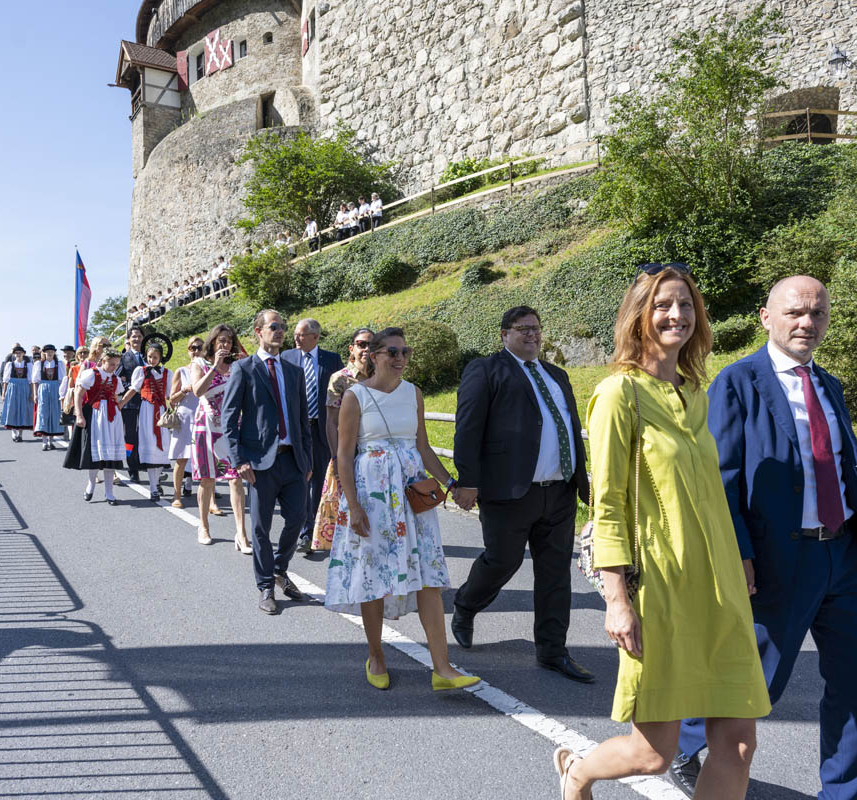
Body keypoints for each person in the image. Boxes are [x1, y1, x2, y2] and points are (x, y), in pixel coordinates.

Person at [671, 275, 857, 800]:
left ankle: (844, 792)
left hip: (843, 555)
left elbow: (847, 471)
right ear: (766, 317)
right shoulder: (738, 382)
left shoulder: (829, 385)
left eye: (817, 313)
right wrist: (740, 553)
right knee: (757, 679)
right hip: (775, 559)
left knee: (855, 686)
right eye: (794, 312)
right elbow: (719, 480)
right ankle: (684, 743)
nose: (806, 323)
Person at [555, 263, 769, 800]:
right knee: (654, 754)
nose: (678, 314)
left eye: (686, 304)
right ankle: (578, 771)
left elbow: (713, 493)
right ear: (638, 317)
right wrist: (616, 600)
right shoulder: (618, 394)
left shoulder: (696, 393)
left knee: (739, 743)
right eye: (663, 305)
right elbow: (607, 504)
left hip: (720, 590)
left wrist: (740, 559)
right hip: (661, 590)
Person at [324, 327, 479, 691]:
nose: (401, 359)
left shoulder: (413, 393)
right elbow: (344, 456)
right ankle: (376, 655)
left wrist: (451, 484)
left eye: (405, 352)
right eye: (393, 352)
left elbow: (423, 448)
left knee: (429, 576)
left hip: (412, 494)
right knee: (373, 577)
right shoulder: (355, 396)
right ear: (374, 356)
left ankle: (443, 668)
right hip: (372, 494)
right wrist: (354, 506)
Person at [450, 305, 593, 682]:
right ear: (504, 334)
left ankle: (552, 650)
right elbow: (468, 428)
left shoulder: (557, 375)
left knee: (556, 574)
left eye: (536, 328)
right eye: (523, 328)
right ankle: (466, 604)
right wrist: (468, 480)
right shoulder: (486, 370)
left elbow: (569, 427)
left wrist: (583, 481)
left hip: (559, 491)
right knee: (503, 561)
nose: (532, 334)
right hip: (509, 491)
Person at [220, 309, 312, 614]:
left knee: (298, 518)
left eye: (282, 326)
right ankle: (265, 587)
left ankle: (279, 569)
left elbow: (302, 419)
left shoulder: (294, 371)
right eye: (274, 326)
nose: (280, 331)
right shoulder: (244, 369)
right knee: (261, 527)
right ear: (259, 332)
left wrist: (307, 459)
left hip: (293, 460)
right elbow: (229, 419)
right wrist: (239, 460)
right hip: (259, 462)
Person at [309, 327, 373, 551]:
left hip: (375, 449)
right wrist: (336, 457)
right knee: (347, 503)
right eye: (361, 344)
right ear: (351, 348)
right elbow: (331, 422)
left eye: (371, 344)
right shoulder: (340, 379)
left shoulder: (381, 378)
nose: (366, 349)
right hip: (349, 450)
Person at [281, 318, 342, 554]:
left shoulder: (331, 360)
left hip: (321, 428)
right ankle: (301, 527)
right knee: (299, 479)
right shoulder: (287, 357)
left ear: (315, 337)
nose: (296, 338)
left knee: (318, 481)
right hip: (296, 429)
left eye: (301, 335)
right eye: (295, 334)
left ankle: (311, 532)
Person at [190, 324, 250, 549]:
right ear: (213, 342)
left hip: (231, 427)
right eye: (221, 340)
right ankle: (203, 525)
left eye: (229, 340)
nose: (225, 344)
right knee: (207, 479)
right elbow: (197, 391)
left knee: (236, 477)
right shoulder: (200, 363)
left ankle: (241, 533)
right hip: (206, 425)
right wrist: (215, 367)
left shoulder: (237, 365)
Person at [64, 349, 126, 505]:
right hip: (95, 416)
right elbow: (78, 394)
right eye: (111, 364)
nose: (114, 367)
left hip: (112, 418)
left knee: (111, 456)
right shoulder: (91, 374)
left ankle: (109, 492)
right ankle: (91, 484)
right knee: (95, 454)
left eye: (116, 364)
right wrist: (79, 415)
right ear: (103, 361)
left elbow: (115, 397)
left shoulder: (116, 379)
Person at [118, 340, 172, 503]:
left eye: (155, 357)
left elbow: (170, 395)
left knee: (162, 446)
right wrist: (121, 404)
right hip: (147, 411)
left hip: (161, 412)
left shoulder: (167, 373)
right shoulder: (140, 371)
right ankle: (153, 488)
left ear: (160, 357)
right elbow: (133, 389)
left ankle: (156, 481)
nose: (152, 360)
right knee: (149, 444)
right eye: (149, 357)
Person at [166, 337, 202, 508]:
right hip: (185, 417)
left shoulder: (209, 371)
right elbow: (172, 399)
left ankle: (209, 499)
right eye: (193, 348)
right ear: (188, 350)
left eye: (200, 347)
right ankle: (177, 495)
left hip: (203, 417)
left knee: (206, 459)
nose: (196, 351)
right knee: (182, 458)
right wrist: (184, 390)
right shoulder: (181, 371)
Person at [118, 326, 147, 484]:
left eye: (139, 336)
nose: (137, 339)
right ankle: (132, 468)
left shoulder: (149, 355)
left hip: (148, 403)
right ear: (129, 339)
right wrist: (132, 386)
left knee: (146, 435)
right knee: (130, 437)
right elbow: (117, 379)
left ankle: (146, 463)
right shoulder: (124, 357)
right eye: (134, 336)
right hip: (130, 403)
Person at [31, 345, 66, 451]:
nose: (50, 353)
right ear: (44, 353)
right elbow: (35, 381)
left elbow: (63, 380)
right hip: (43, 389)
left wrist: (63, 394)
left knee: (54, 414)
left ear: (54, 353)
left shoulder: (59, 364)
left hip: (56, 388)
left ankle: (51, 441)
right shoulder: (39, 364)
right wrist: (35, 394)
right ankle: (44, 442)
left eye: (51, 351)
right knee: (43, 413)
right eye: (47, 351)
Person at [0, 345, 34, 442]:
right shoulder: (10, 364)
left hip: (24, 388)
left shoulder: (28, 365)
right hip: (13, 388)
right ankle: (14, 432)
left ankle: (20, 434)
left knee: (23, 410)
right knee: (13, 409)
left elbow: (31, 380)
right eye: (16, 353)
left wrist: (32, 393)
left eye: (20, 353)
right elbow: (5, 381)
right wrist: (3, 394)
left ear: (23, 354)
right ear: (14, 354)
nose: (18, 354)